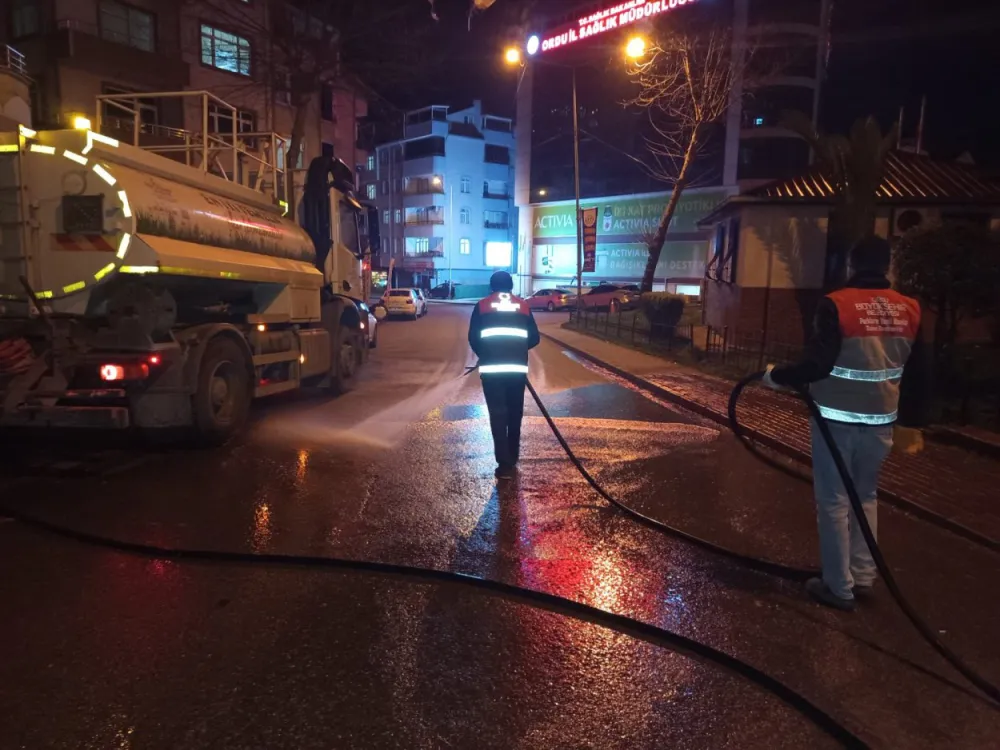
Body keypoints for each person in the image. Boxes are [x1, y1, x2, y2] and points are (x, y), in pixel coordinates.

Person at [764, 236, 926, 612]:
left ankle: (838, 586)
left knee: (834, 500)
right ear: (888, 266)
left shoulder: (837, 304)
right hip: (882, 420)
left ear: (851, 265)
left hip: (835, 419)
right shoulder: (910, 308)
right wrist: (912, 422)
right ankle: (863, 574)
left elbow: (817, 364)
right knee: (865, 495)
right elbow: (920, 372)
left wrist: (775, 376)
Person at [468, 271, 540, 480]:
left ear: (492, 286)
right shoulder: (523, 306)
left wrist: (486, 354)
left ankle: (504, 464)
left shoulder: (482, 306)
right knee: (515, 413)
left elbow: (473, 337)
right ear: (511, 286)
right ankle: (513, 456)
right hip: (517, 370)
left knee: (498, 415)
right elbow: (534, 338)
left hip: (492, 372)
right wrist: (516, 349)